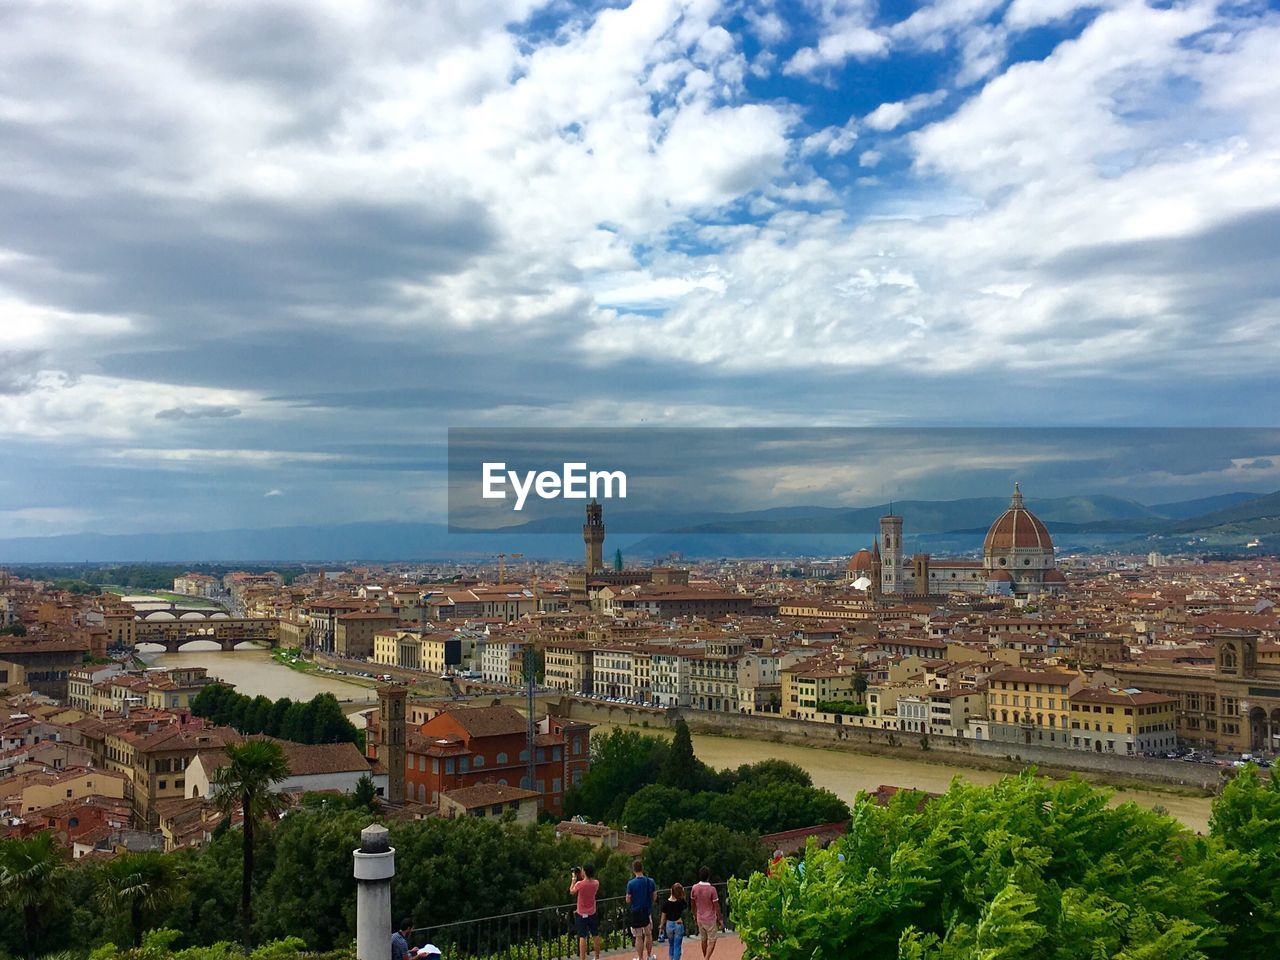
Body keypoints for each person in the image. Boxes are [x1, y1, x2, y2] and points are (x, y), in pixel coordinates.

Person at [626, 858, 658, 960]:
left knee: (638, 936)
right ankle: (649, 956)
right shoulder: (650, 881)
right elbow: (654, 896)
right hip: (646, 911)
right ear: (642, 868)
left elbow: (628, 899)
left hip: (635, 912)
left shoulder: (631, 884)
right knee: (648, 934)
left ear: (633, 870)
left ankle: (640, 958)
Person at [689, 867, 723, 960]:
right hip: (710, 919)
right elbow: (716, 906)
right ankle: (706, 958)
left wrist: (694, 914)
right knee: (712, 941)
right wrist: (720, 919)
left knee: (703, 940)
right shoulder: (712, 889)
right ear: (708, 876)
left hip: (700, 917)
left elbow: (692, 903)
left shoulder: (694, 888)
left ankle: (705, 957)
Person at [570, 862, 602, 960]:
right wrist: (582, 874)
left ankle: (582, 958)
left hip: (581, 913)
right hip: (592, 912)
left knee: (582, 937)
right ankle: (597, 957)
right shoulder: (596, 883)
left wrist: (574, 879)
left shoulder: (580, 884)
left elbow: (571, 891)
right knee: (595, 935)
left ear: (585, 872)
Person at [660, 882, 687, 960]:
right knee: (677, 945)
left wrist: (661, 925)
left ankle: (671, 958)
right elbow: (685, 907)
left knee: (671, 944)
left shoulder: (666, 903)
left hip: (669, 924)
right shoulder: (681, 902)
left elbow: (663, 915)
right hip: (678, 923)